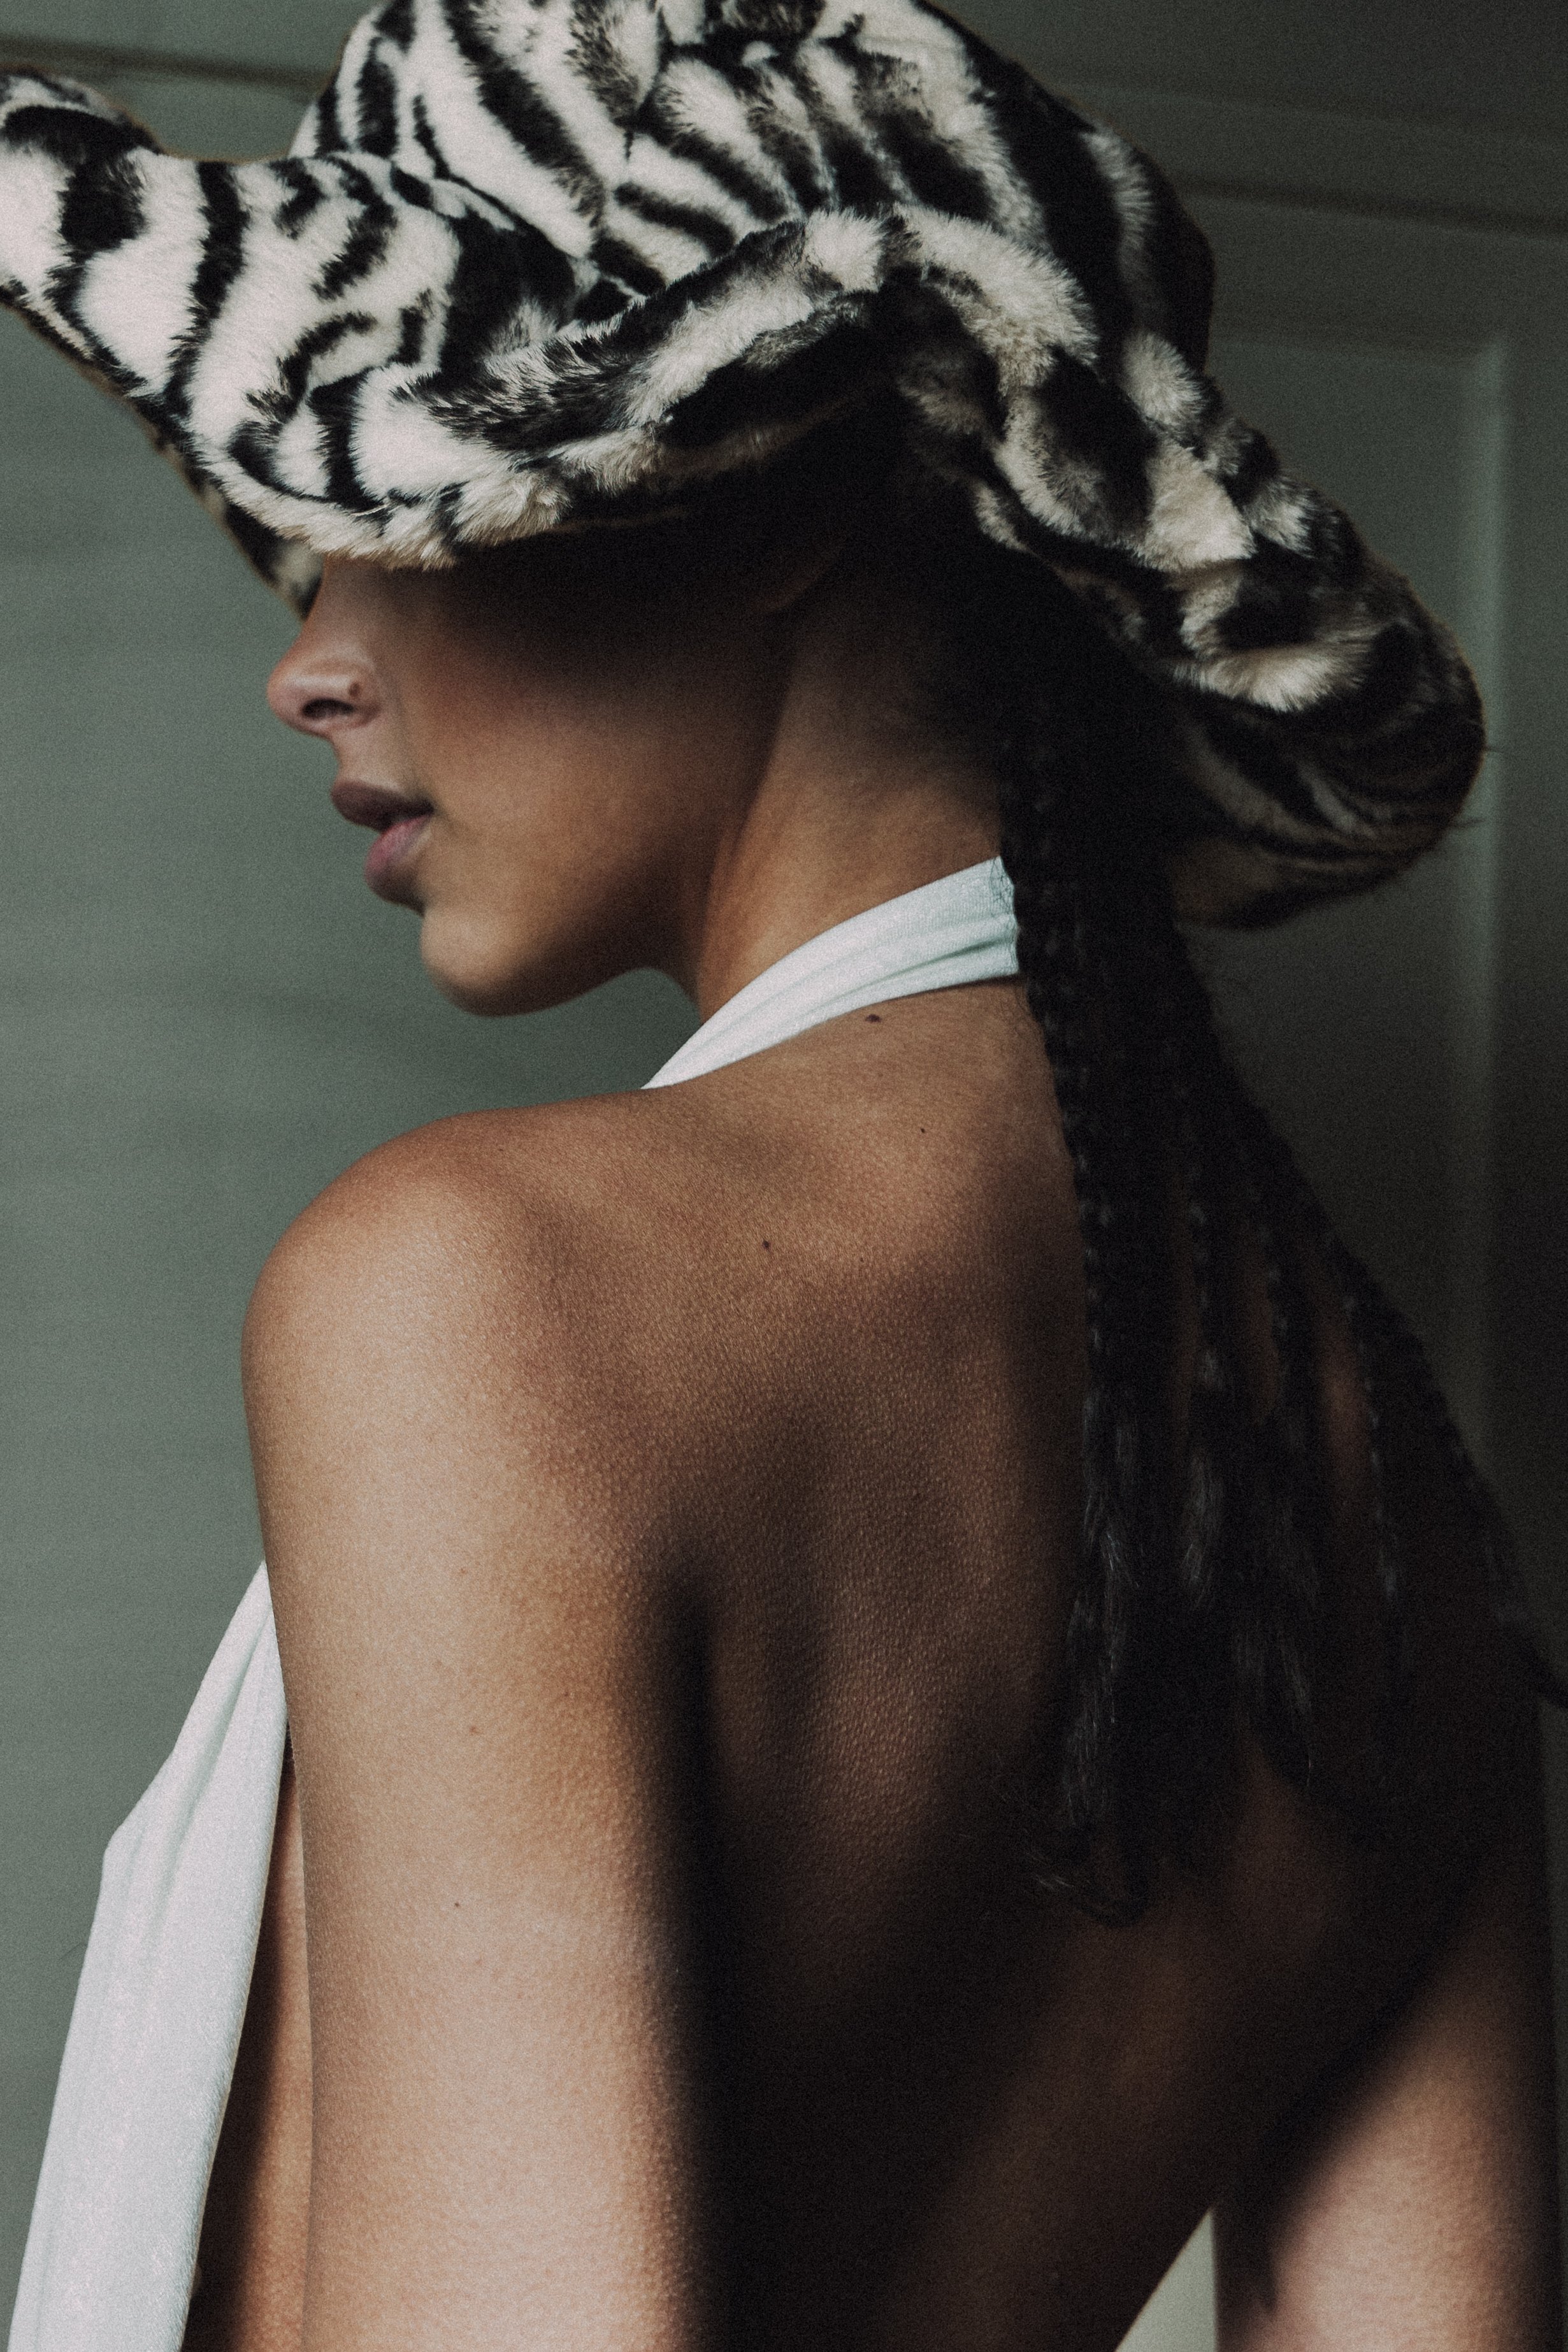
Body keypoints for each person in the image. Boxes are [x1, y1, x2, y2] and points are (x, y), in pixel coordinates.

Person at [1, 4, 1559, 2349]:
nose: (306, 660)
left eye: (390, 512)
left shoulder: (477, 1298)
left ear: (783, 494)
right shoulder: (1400, 1520)